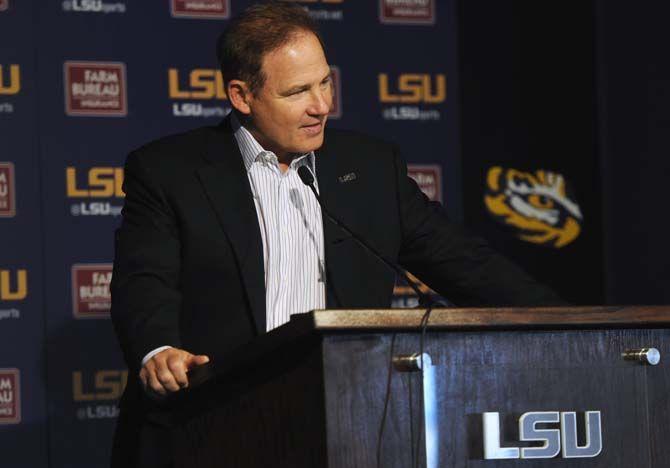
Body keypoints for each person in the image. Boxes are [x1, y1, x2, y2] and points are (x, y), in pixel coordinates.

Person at [110, 3, 564, 467]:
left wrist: (566, 327)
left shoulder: (369, 168)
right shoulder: (170, 171)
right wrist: (159, 349)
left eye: (325, 82)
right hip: (211, 428)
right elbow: (144, 281)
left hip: (346, 425)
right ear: (243, 96)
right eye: (298, 91)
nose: (322, 106)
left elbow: (469, 265)